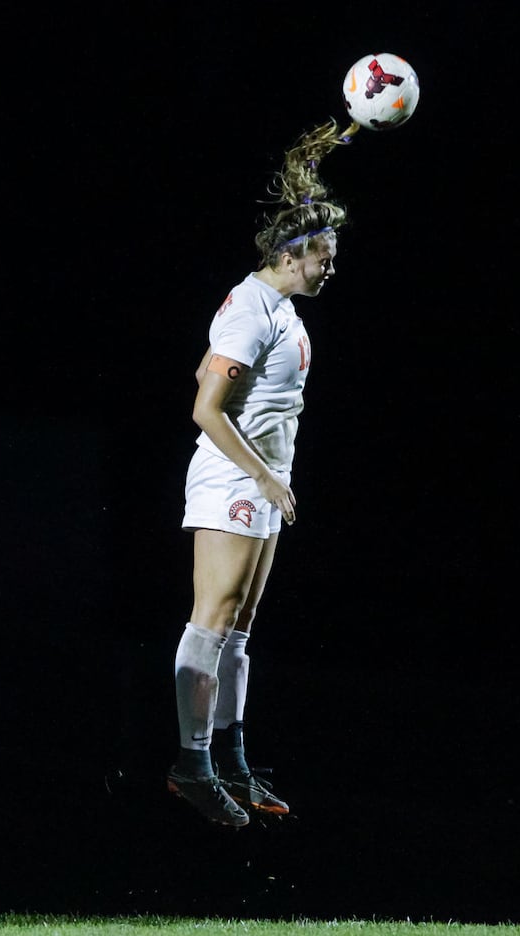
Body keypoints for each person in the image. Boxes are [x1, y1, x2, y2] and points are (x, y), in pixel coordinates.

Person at [164, 120, 355, 827]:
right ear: (292, 253)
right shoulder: (252, 307)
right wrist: (267, 478)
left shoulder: (278, 308)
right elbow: (205, 408)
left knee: (239, 627)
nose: (331, 267)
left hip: (265, 479)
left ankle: (232, 758)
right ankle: (191, 763)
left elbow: (211, 374)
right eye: (324, 256)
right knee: (210, 619)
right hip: (234, 480)